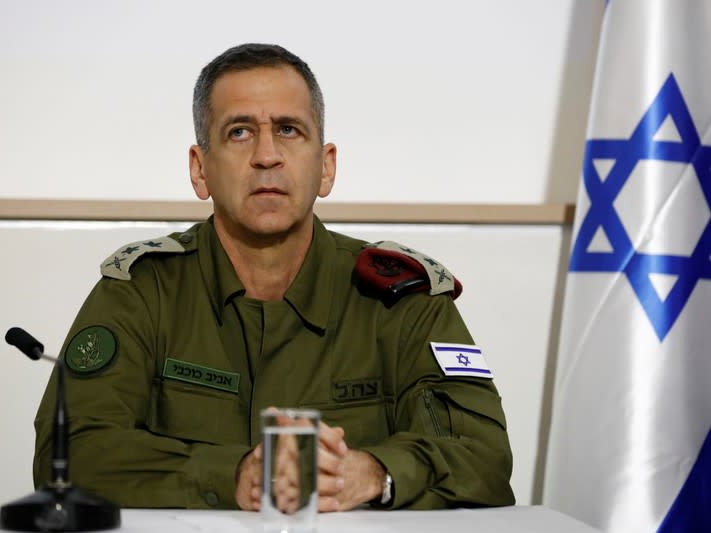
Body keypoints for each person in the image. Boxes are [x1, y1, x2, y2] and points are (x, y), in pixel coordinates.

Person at [33, 43, 514, 511]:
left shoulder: (402, 299)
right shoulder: (145, 290)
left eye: (288, 130)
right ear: (200, 170)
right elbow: (70, 453)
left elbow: (483, 456)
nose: (267, 156)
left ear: (326, 168)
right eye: (239, 132)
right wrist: (234, 475)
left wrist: (374, 473)